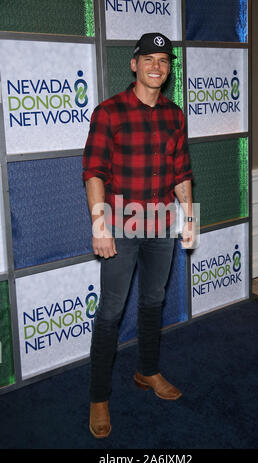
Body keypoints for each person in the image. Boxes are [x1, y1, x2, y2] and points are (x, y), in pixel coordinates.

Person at [82, 32, 195, 439]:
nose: (157, 67)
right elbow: (94, 171)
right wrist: (99, 224)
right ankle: (98, 396)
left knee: (154, 300)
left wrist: (189, 217)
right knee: (111, 310)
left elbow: (181, 171)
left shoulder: (175, 115)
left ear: (168, 70)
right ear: (134, 64)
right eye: (149, 59)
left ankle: (147, 371)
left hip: (163, 223)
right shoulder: (109, 112)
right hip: (120, 226)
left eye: (164, 61)